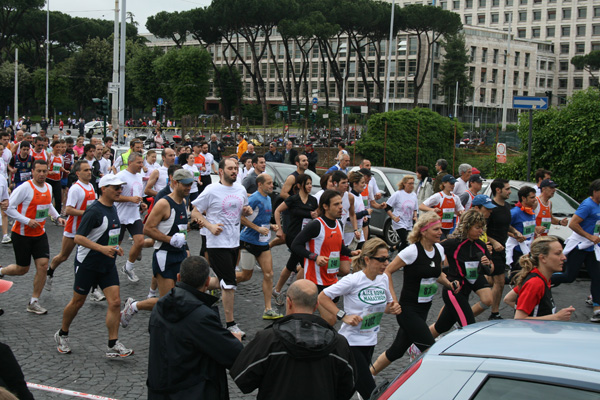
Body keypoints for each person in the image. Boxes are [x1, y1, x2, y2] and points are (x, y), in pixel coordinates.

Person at [230, 280, 357, 400]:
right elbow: (348, 387)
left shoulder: (267, 339)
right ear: (316, 305)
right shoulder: (339, 343)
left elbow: (243, 380)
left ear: (289, 302)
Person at [53, 174, 133, 357]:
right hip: (87, 264)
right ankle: (62, 334)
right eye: (116, 187)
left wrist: (116, 247)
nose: (120, 190)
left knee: (115, 302)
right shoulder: (94, 211)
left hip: (107, 264)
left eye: (121, 187)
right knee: (78, 301)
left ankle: (113, 344)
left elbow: (109, 234)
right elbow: (79, 238)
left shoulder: (113, 208)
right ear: (104, 189)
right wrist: (101, 248)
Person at [371, 212, 456, 375]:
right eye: (436, 229)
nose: (441, 232)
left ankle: (367, 377)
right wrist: (393, 300)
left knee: (396, 350)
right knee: (430, 347)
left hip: (424, 308)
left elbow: (436, 273)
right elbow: (387, 272)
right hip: (408, 310)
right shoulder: (411, 251)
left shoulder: (438, 248)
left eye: (440, 229)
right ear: (424, 231)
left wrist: (450, 284)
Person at [147, 255, 244, 399]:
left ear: (178, 277)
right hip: (194, 392)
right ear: (207, 282)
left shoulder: (159, 307)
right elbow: (233, 354)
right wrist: (236, 340)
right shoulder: (201, 316)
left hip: (160, 390)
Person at [319, 238, 401, 399]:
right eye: (381, 259)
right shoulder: (353, 280)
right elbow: (323, 297)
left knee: (348, 387)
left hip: (370, 341)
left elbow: (381, 307)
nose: (386, 263)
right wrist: (343, 316)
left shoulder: (383, 279)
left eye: (387, 258)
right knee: (372, 392)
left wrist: (391, 309)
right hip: (351, 343)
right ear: (367, 259)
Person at [119, 169, 193, 328]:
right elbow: (147, 229)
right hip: (164, 256)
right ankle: (134, 306)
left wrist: (187, 228)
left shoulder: (184, 202)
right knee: (168, 300)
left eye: (190, 184)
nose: (188, 188)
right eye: (185, 185)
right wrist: (170, 239)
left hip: (179, 255)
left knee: (179, 297)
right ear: (175, 183)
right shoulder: (164, 203)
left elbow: (177, 226)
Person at [192, 158, 252, 336]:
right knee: (229, 284)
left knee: (224, 280)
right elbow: (194, 210)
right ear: (221, 171)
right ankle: (230, 324)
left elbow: (242, 209)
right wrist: (210, 226)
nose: (234, 171)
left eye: (236, 168)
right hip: (217, 244)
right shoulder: (212, 190)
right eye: (230, 168)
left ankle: (191, 285)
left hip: (234, 241)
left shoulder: (241, 189)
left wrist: (246, 211)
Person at [1, 160, 65, 314]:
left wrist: (57, 217)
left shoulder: (49, 187)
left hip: (40, 234)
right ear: (33, 171)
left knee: (43, 266)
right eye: (39, 171)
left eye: (44, 171)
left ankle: (34, 301)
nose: (42, 174)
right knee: (22, 269)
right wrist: (27, 221)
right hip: (22, 234)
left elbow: (48, 205)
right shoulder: (25, 188)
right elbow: (9, 208)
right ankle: (2, 270)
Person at [291, 190, 359, 324]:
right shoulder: (316, 225)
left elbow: (339, 247)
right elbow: (295, 245)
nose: (341, 207)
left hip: (332, 280)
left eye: (341, 203)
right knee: (330, 319)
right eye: (336, 204)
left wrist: (351, 252)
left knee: (328, 320)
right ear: (325, 206)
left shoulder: (339, 224)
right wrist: (314, 257)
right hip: (316, 281)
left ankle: (313, 333)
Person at [430, 209, 494, 336]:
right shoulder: (454, 243)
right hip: (453, 291)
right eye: (477, 228)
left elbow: (491, 270)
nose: (481, 231)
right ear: (467, 226)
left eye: (482, 228)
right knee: (469, 329)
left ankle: (415, 347)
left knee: (441, 326)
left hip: (466, 291)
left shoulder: (481, 245)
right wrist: (438, 270)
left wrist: (488, 264)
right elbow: (431, 251)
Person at [236, 173, 283, 319]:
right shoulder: (254, 198)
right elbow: (241, 217)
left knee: (269, 274)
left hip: (262, 242)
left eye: (272, 183)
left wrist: (271, 225)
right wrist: (257, 229)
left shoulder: (268, 198)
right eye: (268, 183)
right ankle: (221, 281)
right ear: (260, 184)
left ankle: (268, 309)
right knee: (245, 276)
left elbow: (261, 219)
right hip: (248, 241)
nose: (271, 186)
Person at [552, 179, 600, 322]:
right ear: (596, 191)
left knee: (597, 276)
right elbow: (573, 224)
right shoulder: (587, 205)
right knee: (569, 276)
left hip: (591, 247)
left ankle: (597, 309)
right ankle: (542, 278)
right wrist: (590, 236)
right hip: (579, 245)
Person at [46, 161, 98, 293]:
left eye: (89, 170)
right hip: (73, 229)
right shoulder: (76, 188)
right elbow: (68, 210)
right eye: (85, 170)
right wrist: (88, 213)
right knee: (63, 256)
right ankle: (50, 271)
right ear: (78, 173)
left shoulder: (91, 186)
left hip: (87, 231)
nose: (89, 172)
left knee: (90, 259)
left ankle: (94, 289)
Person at [503, 236, 575, 320]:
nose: (564, 257)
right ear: (543, 258)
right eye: (558, 253)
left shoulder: (540, 277)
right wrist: (556, 317)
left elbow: (508, 299)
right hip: (532, 332)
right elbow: (519, 319)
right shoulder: (535, 283)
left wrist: (529, 310)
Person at [272, 174, 319, 304]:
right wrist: (280, 229)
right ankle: (298, 295)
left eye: (311, 183)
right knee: (306, 263)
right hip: (293, 236)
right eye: (307, 183)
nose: (310, 186)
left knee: (292, 264)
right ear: (299, 185)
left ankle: (277, 290)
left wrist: (315, 216)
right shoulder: (293, 199)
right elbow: (277, 211)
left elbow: (317, 216)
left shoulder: (313, 201)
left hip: (306, 236)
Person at [486, 178, 524, 320]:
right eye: (507, 189)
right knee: (500, 281)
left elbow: (506, 224)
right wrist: (494, 242)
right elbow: (483, 231)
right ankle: (494, 313)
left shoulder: (507, 206)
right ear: (498, 190)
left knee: (491, 281)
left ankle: (488, 301)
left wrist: (515, 232)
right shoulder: (491, 208)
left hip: (502, 249)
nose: (510, 191)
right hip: (492, 249)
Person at [115, 152, 152, 282]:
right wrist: (130, 199)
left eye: (142, 162)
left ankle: (128, 267)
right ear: (130, 163)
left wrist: (141, 204)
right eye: (138, 162)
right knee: (114, 248)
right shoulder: (120, 176)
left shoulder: (139, 176)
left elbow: (137, 195)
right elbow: (115, 196)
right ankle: (106, 270)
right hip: (119, 216)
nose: (141, 165)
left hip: (134, 215)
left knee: (140, 241)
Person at [506, 186, 542, 281]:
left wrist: (535, 233)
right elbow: (503, 227)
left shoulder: (531, 211)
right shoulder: (515, 212)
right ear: (523, 198)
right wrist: (515, 235)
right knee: (516, 279)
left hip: (528, 250)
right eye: (532, 197)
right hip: (517, 251)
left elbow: (528, 227)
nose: (535, 199)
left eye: (535, 197)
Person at [419, 174, 464, 239]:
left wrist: (461, 212)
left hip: (450, 228)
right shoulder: (438, 196)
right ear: (444, 183)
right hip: (438, 227)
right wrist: (433, 210)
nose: (453, 186)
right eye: (451, 183)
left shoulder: (455, 197)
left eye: (454, 184)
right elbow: (421, 206)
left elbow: (460, 210)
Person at [386, 175, 418, 253]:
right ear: (404, 184)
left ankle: (393, 248)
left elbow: (415, 209)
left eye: (413, 183)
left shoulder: (414, 195)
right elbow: (387, 207)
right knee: (406, 241)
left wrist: (415, 216)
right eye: (409, 183)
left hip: (409, 222)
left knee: (409, 241)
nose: (411, 186)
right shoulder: (398, 194)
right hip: (399, 221)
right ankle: (399, 259)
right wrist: (393, 217)